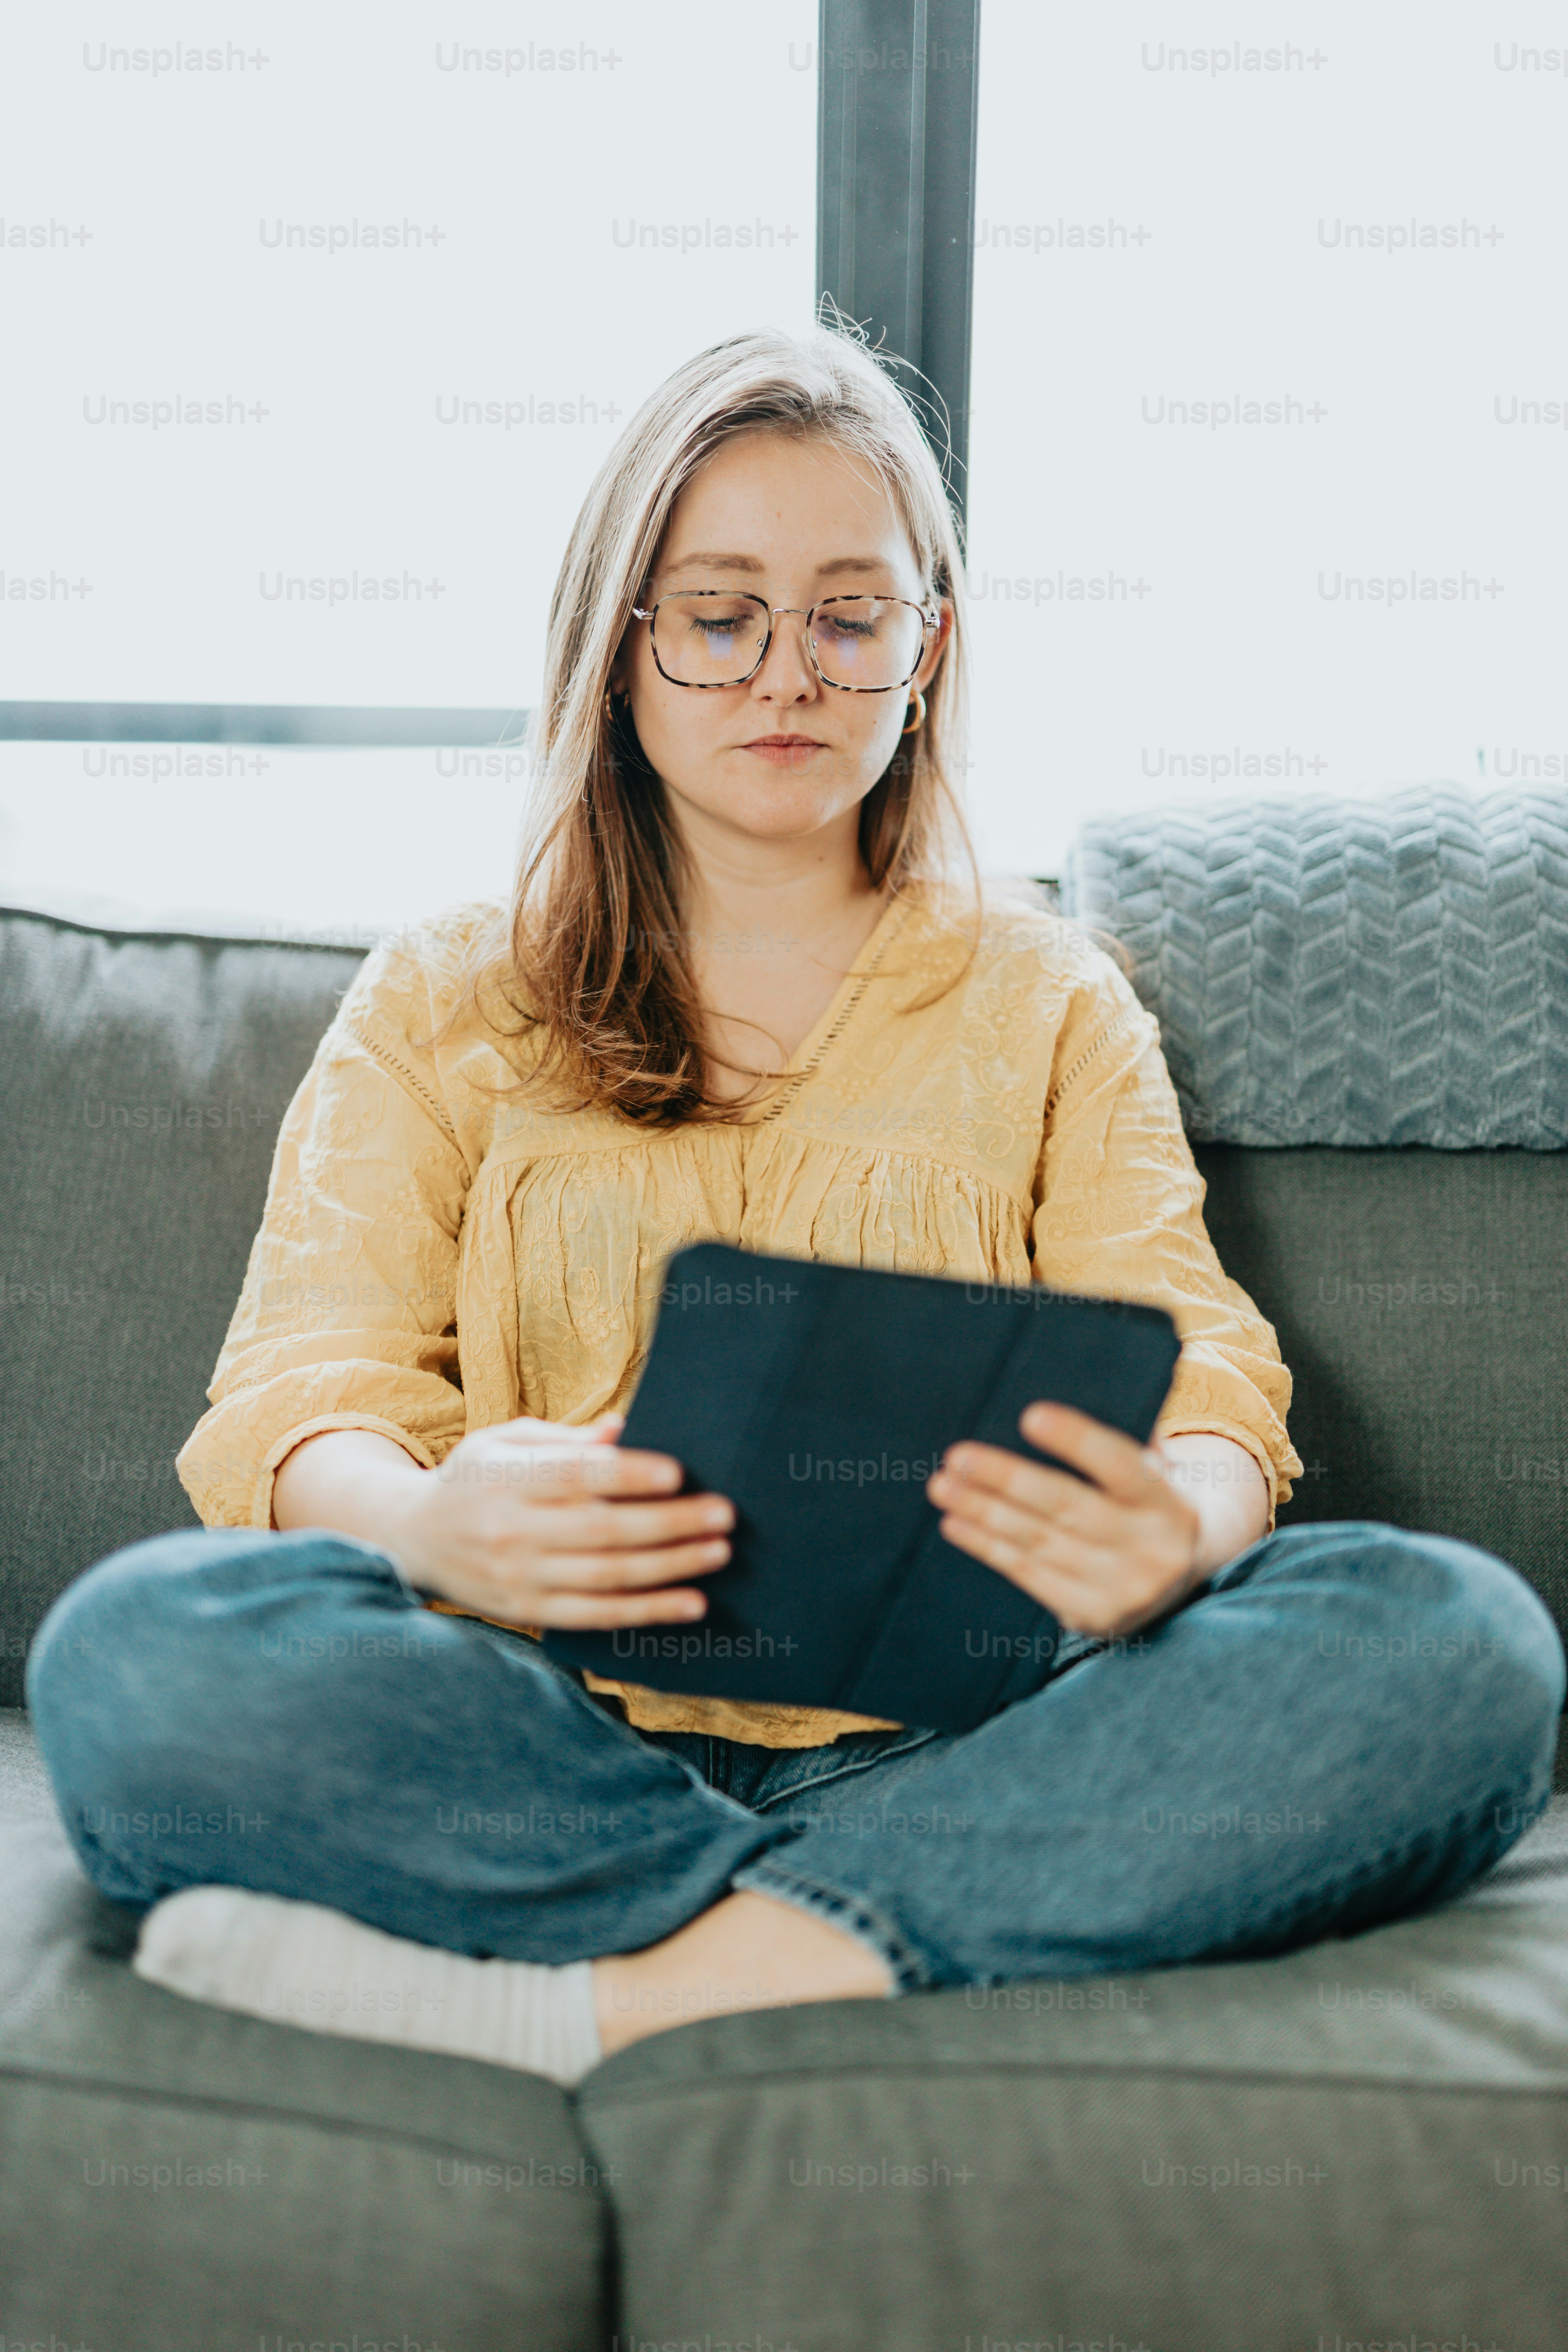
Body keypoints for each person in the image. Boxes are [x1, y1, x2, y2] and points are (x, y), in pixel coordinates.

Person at [27, 327, 1563, 2086]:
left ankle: (634, 1992)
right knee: (137, 1654)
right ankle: (893, 1938)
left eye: (852, 615)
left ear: (928, 650)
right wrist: (435, 1523)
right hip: (538, 1726)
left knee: (1455, 1643)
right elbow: (300, 1395)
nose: (788, 674)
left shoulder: (1046, 1000)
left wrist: (1184, 1528)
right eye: (717, 611)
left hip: (967, 1729)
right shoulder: (451, 995)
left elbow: (1208, 1372)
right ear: (620, 649)